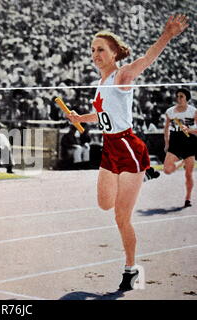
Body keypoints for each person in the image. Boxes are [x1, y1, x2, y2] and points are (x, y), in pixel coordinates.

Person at [66, 14, 189, 291]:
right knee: (103, 203)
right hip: (110, 147)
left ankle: (131, 269)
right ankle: (141, 177)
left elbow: (146, 59)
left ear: (114, 53)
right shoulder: (100, 83)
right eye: (93, 49)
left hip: (129, 147)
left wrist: (167, 34)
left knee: (121, 217)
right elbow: (101, 115)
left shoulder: (122, 75)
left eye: (101, 49)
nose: (95, 54)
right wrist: (80, 118)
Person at [163, 88, 197, 208]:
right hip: (175, 141)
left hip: (190, 142)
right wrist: (167, 143)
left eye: (181, 96)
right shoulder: (170, 112)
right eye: (177, 96)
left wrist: (190, 130)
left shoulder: (193, 111)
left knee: (188, 174)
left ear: (187, 98)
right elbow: (166, 129)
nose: (178, 98)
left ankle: (187, 199)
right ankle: (182, 161)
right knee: (167, 170)